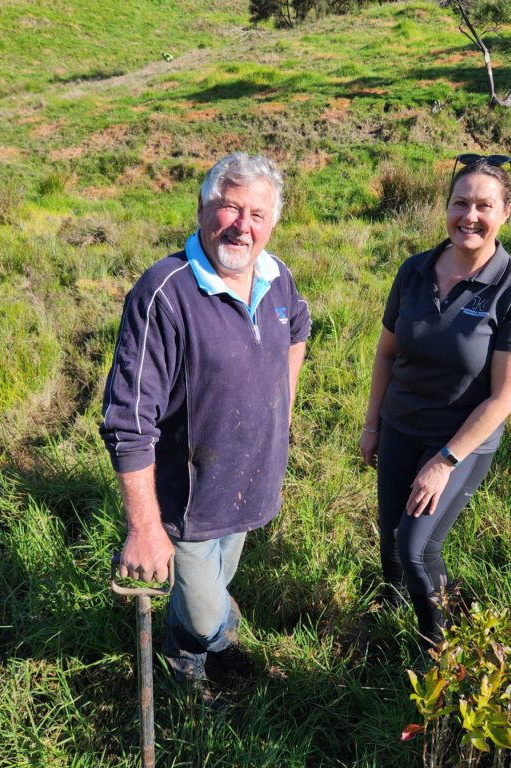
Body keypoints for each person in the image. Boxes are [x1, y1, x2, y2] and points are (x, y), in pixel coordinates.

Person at [101, 152, 310, 689]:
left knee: (219, 577)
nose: (243, 226)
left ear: (272, 224)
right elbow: (128, 421)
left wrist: (278, 410)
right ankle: (198, 649)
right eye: (230, 208)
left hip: (250, 480)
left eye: (257, 215)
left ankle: (197, 645)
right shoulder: (164, 293)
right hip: (189, 494)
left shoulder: (275, 275)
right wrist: (144, 529)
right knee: (202, 610)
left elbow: (298, 329)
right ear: (201, 207)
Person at [359, 154, 511, 651]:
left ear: (506, 212)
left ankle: (438, 648)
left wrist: (444, 461)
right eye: (460, 202)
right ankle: (391, 614)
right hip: (400, 424)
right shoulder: (415, 270)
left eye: (484, 205)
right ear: (445, 207)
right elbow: (386, 351)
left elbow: (507, 396)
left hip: (461, 439)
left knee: (416, 548)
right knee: (391, 538)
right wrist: (372, 425)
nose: (470, 216)